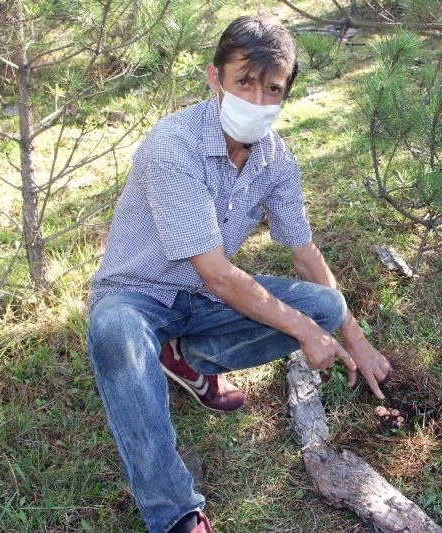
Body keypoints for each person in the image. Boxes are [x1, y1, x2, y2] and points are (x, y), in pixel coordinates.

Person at [87, 15, 392, 533]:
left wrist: (352, 335)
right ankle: (175, 512)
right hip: (139, 293)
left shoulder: (275, 159)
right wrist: (305, 331)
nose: (255, 101)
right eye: (243, 82)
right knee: (115, 332)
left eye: (272, 89)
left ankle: (188, 358)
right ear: (215, 78)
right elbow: (218, 276)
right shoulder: (175, 144)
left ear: (285, 93)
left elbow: (304, 253)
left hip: (203, 302)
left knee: (324, 303)